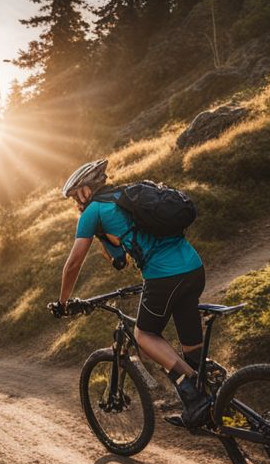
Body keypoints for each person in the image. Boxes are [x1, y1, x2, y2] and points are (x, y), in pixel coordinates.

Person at [52, 159, 212, 428]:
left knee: (144, 336)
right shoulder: (126, 196)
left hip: (164, 275)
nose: (75, 205)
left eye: (74, 198)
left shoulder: (93, 211)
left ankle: (195, 395)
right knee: (189, 345)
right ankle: (214, 394)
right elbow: (124, 253)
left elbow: (73, 264)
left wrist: (64, 302)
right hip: (194, 269)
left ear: (84, 191)